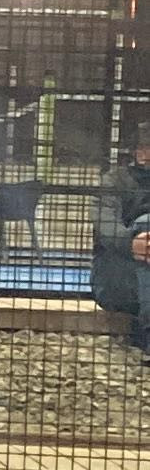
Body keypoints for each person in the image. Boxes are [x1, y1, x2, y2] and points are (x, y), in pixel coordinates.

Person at [94, 122, 150, 346]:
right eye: (143, 147)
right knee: (145, 225)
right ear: (135, 151)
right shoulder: (114, 180)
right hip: (118, 279)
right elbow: (105, 222)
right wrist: (132, 243)